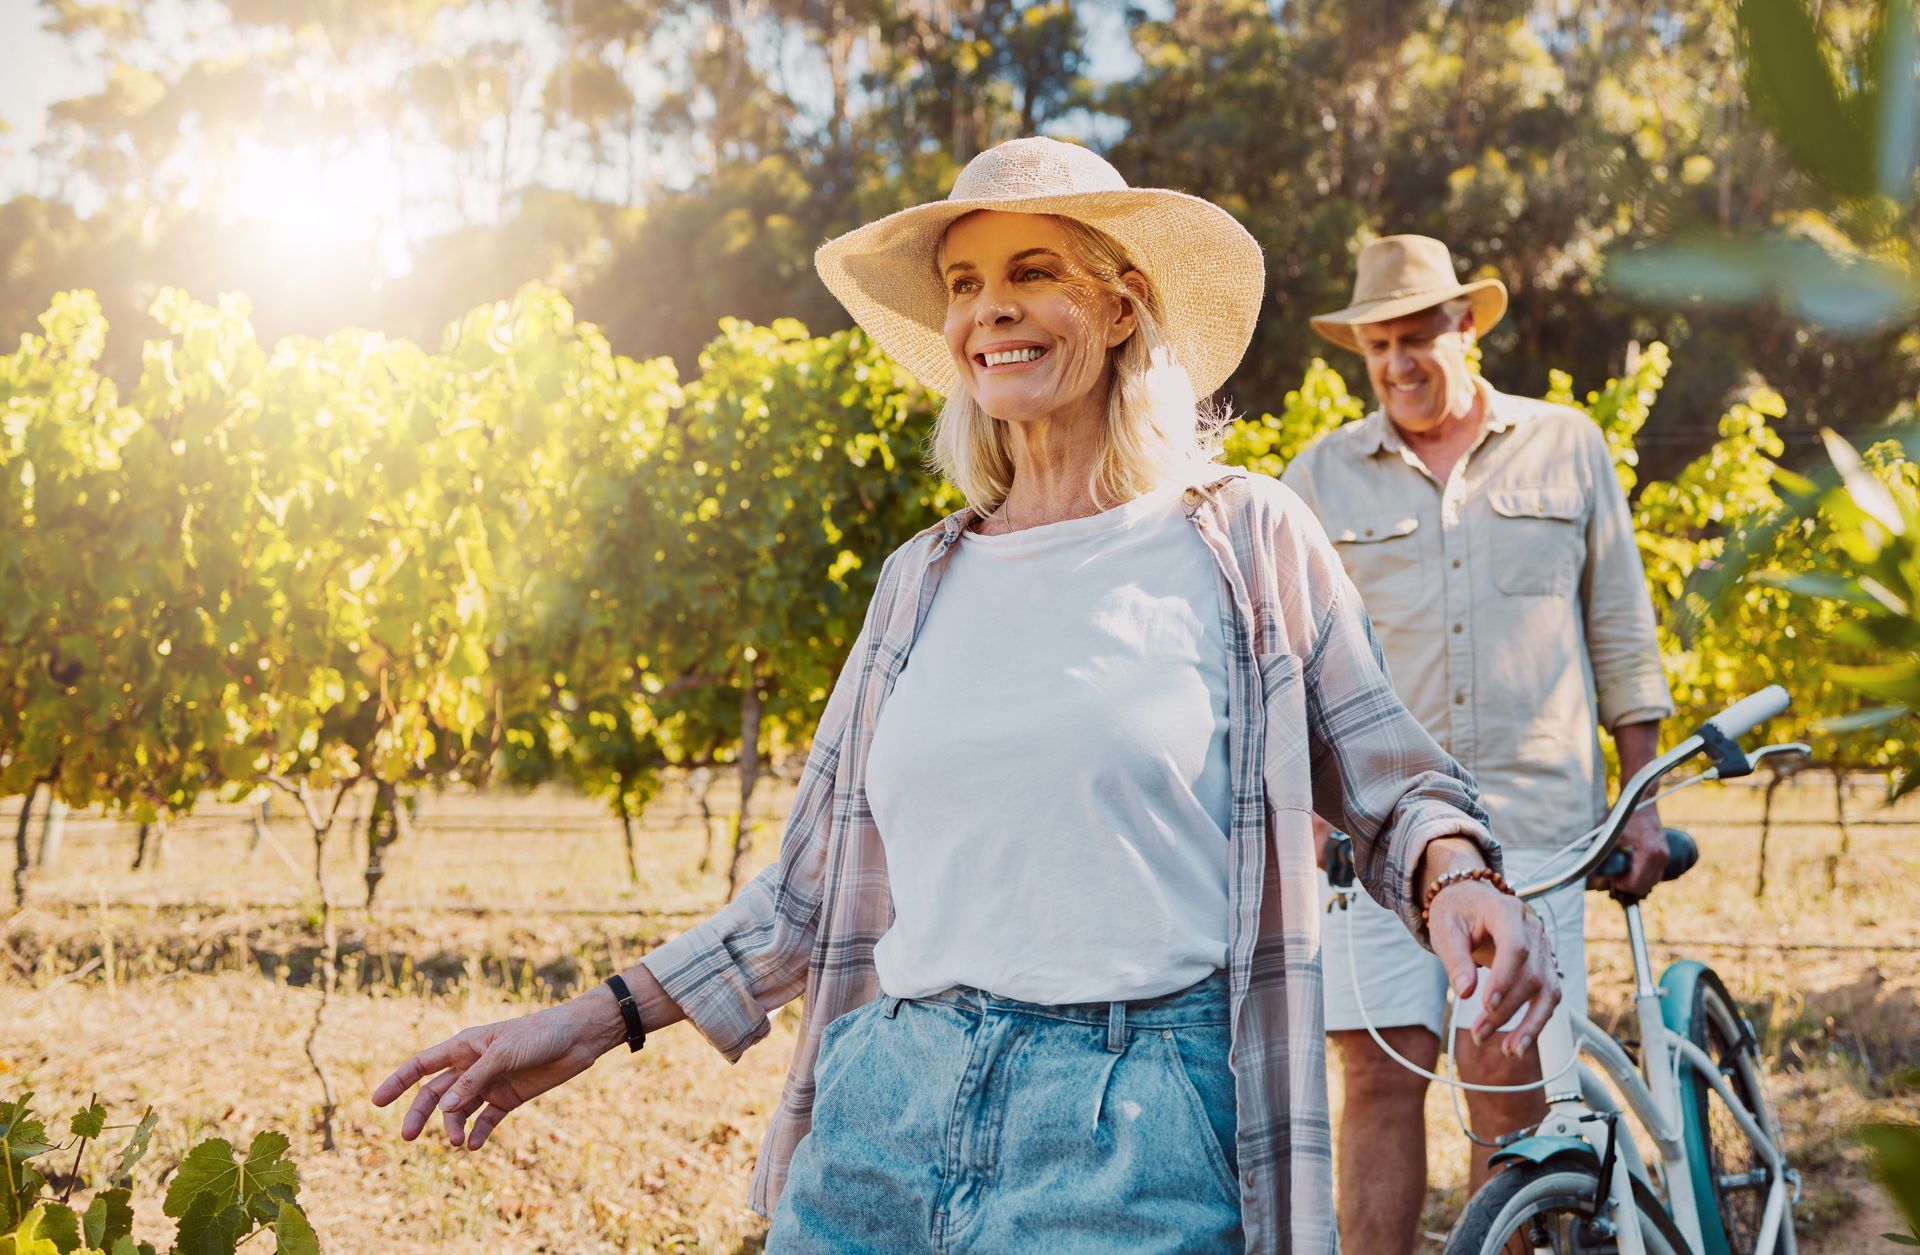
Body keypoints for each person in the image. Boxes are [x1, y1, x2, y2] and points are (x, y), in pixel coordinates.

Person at [373, 142, 1559, 1255]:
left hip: (1132, 1124)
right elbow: (802, 896)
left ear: (1120, 304)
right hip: (886, 1102)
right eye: (964, 281)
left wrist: (1459, 878)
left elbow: (1393, 785)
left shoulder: (1245, 540)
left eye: (1032, 272)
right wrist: (582, 1025)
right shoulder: (919, 582)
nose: (989, 306)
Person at [1280, 234, 1675, 1255]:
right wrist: (1311, 817)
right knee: (1376, 1071)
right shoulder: (1318, 476)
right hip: (1373, 840)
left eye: (1417, 337)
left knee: (1504, 1067)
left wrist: (1643, 797)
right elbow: (1292, 666)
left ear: (1467, 328)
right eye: (1377, 346)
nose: (1398, 363)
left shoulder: (1567, 446)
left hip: (1537, 820)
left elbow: (1621, 631)